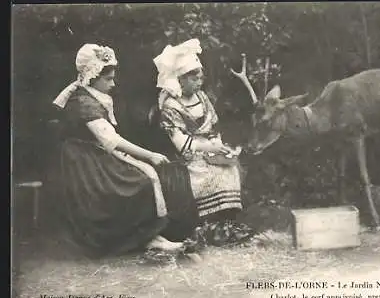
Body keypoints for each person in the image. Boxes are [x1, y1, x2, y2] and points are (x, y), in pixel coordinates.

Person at [50, 43, 200, 258]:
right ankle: (140, 237)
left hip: (96, 152)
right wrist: (149, 155)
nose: (113, 83)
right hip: (83, 160)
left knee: (145, 175)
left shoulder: (92, 95)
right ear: (92, 77)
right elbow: (110, 139)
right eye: (108, 79)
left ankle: (151, 235)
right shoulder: (83, 102)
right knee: (139, 181)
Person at [151, 38, 254, 247]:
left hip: (209, 149)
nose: (199, 82)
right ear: (180, 79)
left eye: (200, 77)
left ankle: (225, 225)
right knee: (208, 173)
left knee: (230, 168)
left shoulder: (202, 97)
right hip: (186, 156)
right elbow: (180, 143)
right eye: (194, 78)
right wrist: (210, 148)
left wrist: (220, 146)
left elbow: (213, 127)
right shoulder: (170, 106)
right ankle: (208, 227)